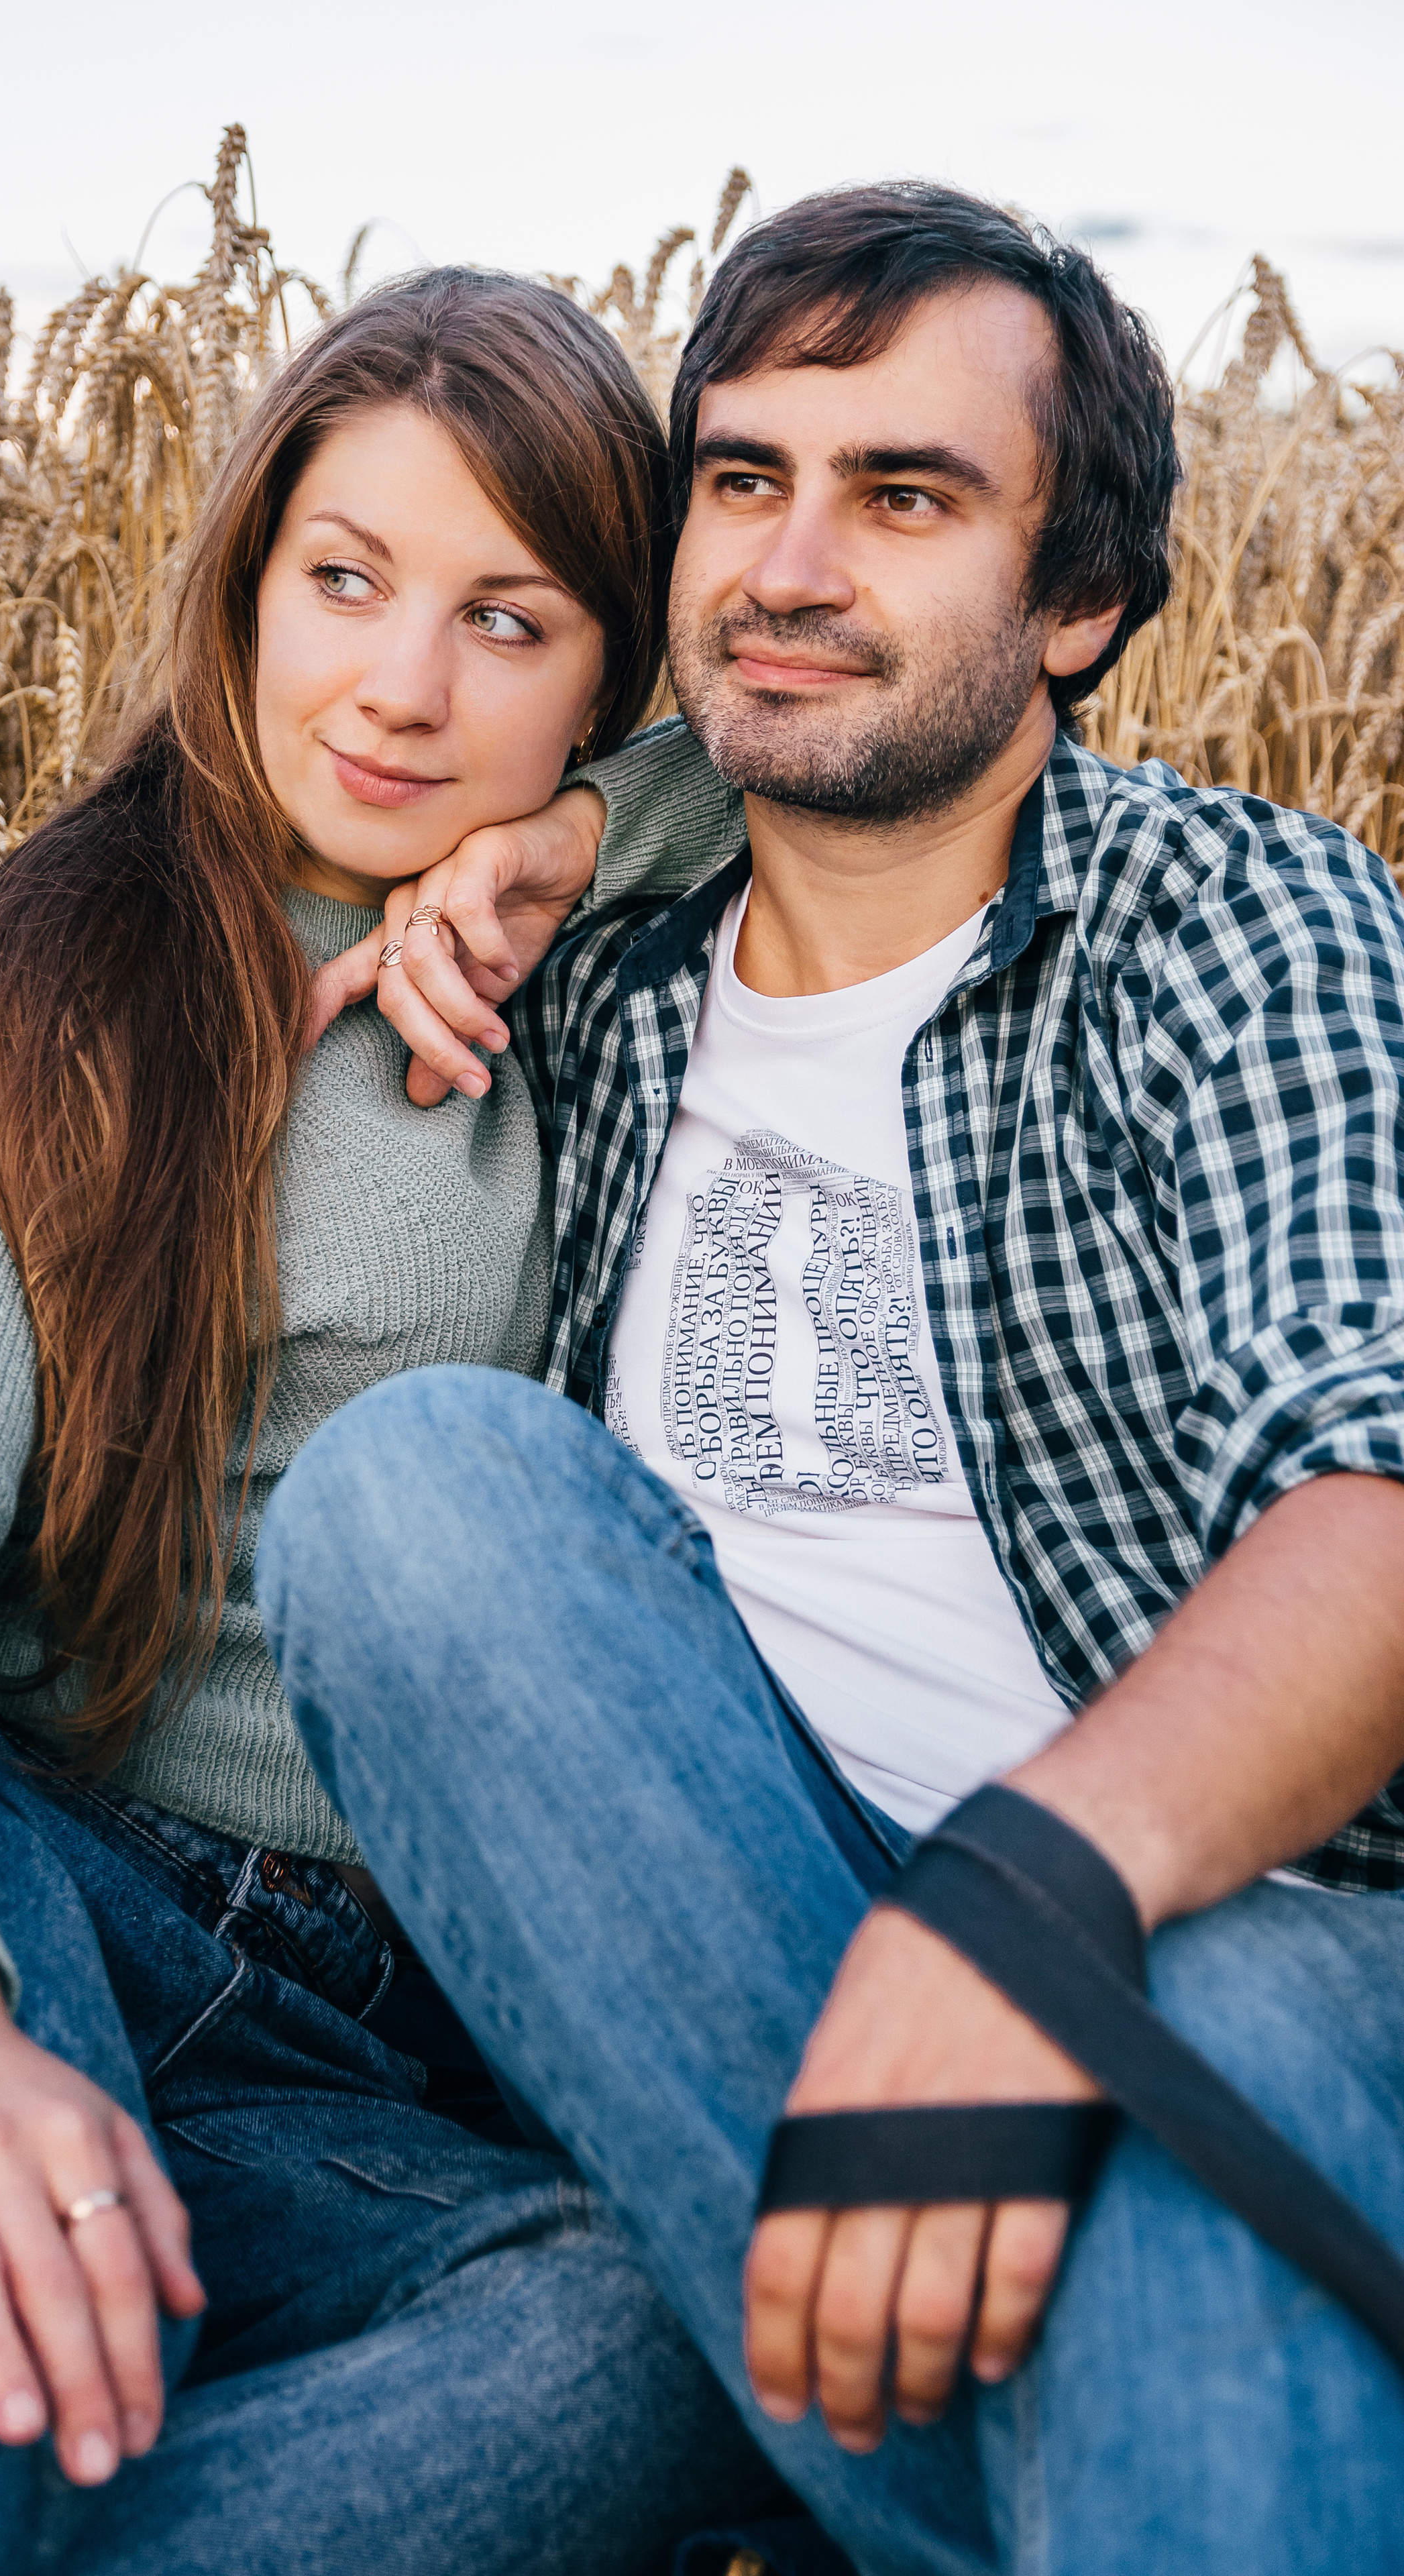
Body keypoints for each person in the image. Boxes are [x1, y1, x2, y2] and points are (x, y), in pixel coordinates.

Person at [260, 184, 1404, 2576]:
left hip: (1225, 1897)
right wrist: (562, 825)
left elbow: (1377, 1489)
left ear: (1078, 600)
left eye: (905, 496)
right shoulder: (583, 991)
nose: (787, 561)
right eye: (743, 478)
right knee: (416, 1501)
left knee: (1224, 2060)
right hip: (737, 1955)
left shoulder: (1238, 927)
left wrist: (1032, 1911)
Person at [0, 269, 777, 2573]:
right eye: (346, 582)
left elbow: (865, 733)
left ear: (616, 669)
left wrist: (568, 839)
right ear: (251, 582)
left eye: (511, 621)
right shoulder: (76, 958)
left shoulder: (649, 958)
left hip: (357, 2053)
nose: (397, 689)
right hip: (13, 1868)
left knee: (640, 2358)